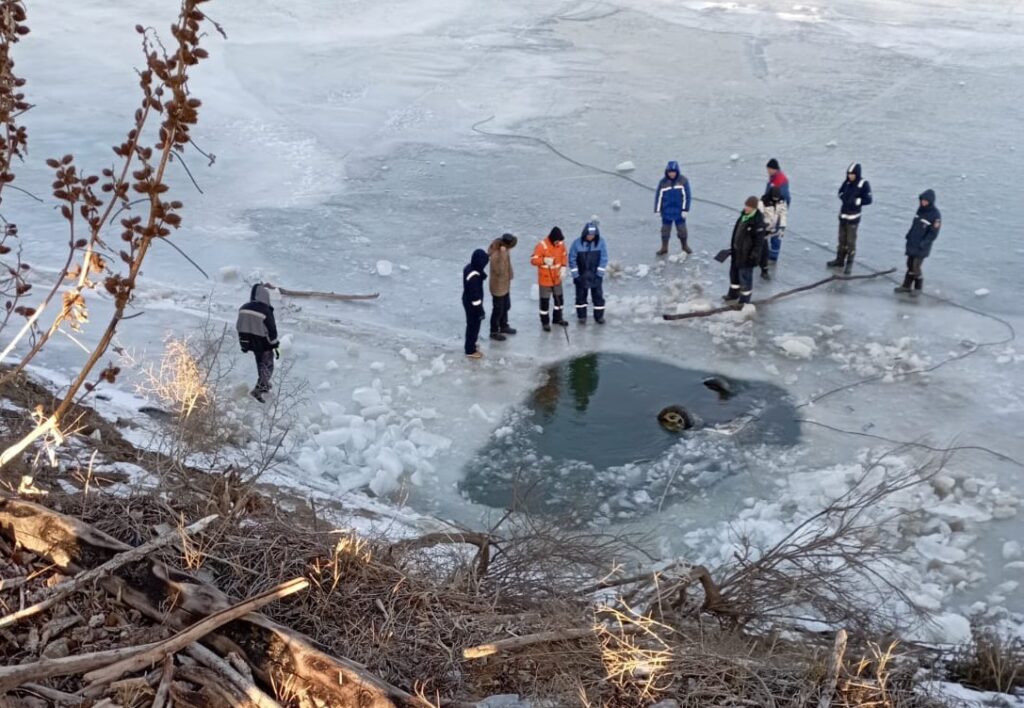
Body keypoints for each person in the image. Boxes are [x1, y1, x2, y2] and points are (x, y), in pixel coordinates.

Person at [236, 282, 280, 403]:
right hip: (264, 342)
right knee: (267, 366)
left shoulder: (243, 307)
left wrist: (243, 344)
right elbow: (271, 329)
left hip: (250, 342)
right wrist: (275, 343)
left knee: (259, 363)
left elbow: (239, 327)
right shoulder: (266, 309)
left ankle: (263, 383)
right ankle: (260, 389)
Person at [895, 189, 941, 297]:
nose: (923, 203)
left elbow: (933, 233)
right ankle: (906, 285)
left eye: (926, 201)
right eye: (922, 200)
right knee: (909, 264)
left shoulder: (935, 215)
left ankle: (918, 287)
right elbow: (915, 225)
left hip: (922, 246)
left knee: (916, 266)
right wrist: (909, 234)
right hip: (912, 242)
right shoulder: (920, 210)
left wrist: (924, 243)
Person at [722, 197, 766, 305]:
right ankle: (733, 294)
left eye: (749, 206)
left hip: (747, 257)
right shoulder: (743, 217)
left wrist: (753, 256)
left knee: (745, 278)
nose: (746, 208)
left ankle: (744, 301)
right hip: (737, 253)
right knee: (734, 275)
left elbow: (759, 243)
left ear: (754, 208)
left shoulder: (758, 222)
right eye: (746, 205)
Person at [830, 162, 872, 274]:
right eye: (849, 174)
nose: (850, 176)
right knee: (841, 239)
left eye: (852, 174)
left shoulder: (863, 184)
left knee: (850, 241)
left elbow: (869, 199)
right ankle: (839, 259)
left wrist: (858, 201)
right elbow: (840, 192)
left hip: (853, 218)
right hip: (843, 216)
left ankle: (849, 263)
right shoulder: (847, 182)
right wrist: (843, 197)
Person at [569, 221, 609, 324]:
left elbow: (604, 258)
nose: (591, 237)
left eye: (593, 235)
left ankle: (599, 317)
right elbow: (572, 259)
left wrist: (600, 273)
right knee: (580, 297)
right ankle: (582, 316)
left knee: (598, 297)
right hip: (581, 276)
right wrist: (576, 275)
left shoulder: (601, 243)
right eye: (589, 235)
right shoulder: (576, 243)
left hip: (595, 275)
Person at [530, 227, 569, 331]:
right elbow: (533, 260)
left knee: (559, 301)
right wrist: (544, 260)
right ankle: (545, 322)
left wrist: (564, 268)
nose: (559, 242)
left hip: (557, 279)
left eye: (560, 241)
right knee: (544, 303)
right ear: (552, 239)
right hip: (545, 280)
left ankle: (557, 318)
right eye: (557, 241)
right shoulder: (541, 246)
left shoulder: (561, 244)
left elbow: (564, 256)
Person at [654, 160, 693, 256]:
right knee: (665, 231)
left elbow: (687, 196)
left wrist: (685, 209)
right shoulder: (663, 183)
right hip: (666, 212)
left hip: (679, 212)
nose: (672, 174)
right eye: (670, 172)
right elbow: (659, 197)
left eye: (673, 172)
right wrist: (657, 210)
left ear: (677, 172)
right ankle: (664, 247)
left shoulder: (683, 181)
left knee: (682, 230)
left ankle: (684, 245)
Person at [487, 233, 518, 340]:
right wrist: (503, 255)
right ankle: (494, 331)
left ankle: (503, 325)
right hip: (498, 287)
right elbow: (499, 271)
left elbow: (507, 265)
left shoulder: (505, 250)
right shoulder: (496, 255)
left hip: (505, 284)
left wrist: (510, 274)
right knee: (498, 309)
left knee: (506, 306)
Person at [462, 249, 489, 359]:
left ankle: (471, 344)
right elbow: (475, 297)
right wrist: (480, 311)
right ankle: (470, 350)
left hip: (467, 299)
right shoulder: (474, 277)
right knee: (473, 326)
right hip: (472, 305)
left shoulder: (470, 267)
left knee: (472, 325)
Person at [759, 185, 788, 279]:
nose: (776, 200)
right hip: (763, 227)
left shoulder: (781, 201)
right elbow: (759, 215)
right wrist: (763, 226)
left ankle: (765, 269)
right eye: (774, 198)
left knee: (765, 249)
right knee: (760, 247)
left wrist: (782, 226)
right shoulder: (763, 202)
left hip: (773, 226)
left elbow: (783, 214)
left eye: (777, 198)